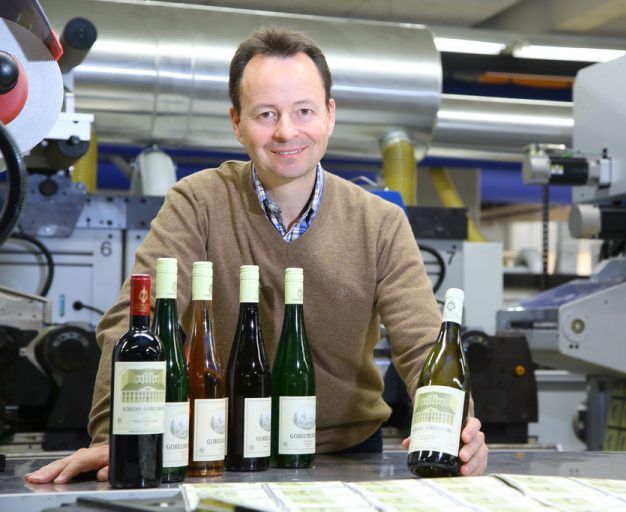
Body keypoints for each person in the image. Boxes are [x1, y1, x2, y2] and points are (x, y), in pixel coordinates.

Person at [26, 27, 488, 484]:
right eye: (266, 113)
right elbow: (133, 321)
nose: (287, 131)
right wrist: (115, 434)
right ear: (237, 122)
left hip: (344, 454)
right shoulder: (198, 202)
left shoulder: (380, 222)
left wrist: (458, 429)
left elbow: (425, 345)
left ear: (329, 114)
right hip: (213, 451)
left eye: (303, 110)